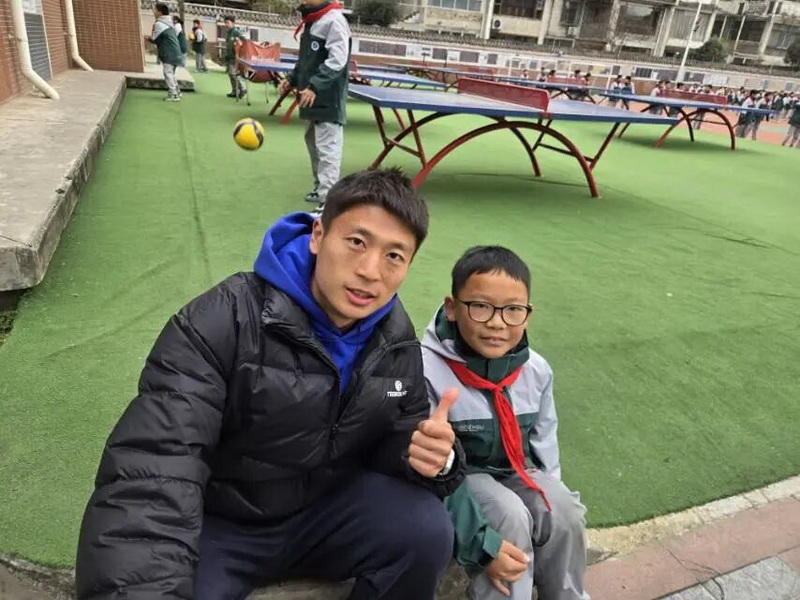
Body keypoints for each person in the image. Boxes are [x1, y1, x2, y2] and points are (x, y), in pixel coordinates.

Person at [75, 169, 466, 600]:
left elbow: (395, 438)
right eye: (357, 242)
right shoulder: (222, 319)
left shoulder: (395, 338)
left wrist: (430, 456)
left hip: (323, 516)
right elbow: (157, 466)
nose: (371, 271)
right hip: (223, 524)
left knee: (426, 530)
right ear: (318, 235)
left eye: (394, 255)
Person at [422, 246, 589, 600]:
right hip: (461, 479)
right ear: (452, 307)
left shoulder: (536, 370)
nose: (497, 323)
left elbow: (544, 446)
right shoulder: (426, 370)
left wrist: (550, 498)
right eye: (481, 306)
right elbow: (434, 471)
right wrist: (481, 544)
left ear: (527, 314)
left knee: (562, 509)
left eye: (513, 309)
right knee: (508, 514)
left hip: (514, 470)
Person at [278, 0, 351, 214]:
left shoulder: (334, 21)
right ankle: (320, 188)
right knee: (312, 141)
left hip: (327, 97)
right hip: (311, 96)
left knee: (328, 148)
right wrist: (292, 79)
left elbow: (338, 60)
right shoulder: (312, 20)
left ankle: (328, 201)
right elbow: (306, 60)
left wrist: (315, 86)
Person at [148, 3, 182, 102]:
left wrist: (146, 38)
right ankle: (177, 91)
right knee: (171, 73)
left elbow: (154, 39)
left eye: (155, 10)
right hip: (176, 51)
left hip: (169, 52)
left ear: (160, 12)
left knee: (167, 73)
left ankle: (174, 94)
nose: (154, 12)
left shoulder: (159, 24)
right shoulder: (169, 22)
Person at [223, 15, 247, 99]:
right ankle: (235, 91)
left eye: (228, 23)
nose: (226, 24)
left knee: (233, 74)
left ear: (233, 23)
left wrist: (238, 46)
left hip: (235, 56)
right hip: (229, 56)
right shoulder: (228, 33)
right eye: (225, 23)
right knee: (231, 74)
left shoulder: (236, 32)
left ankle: (242, 89)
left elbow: (244, 41)